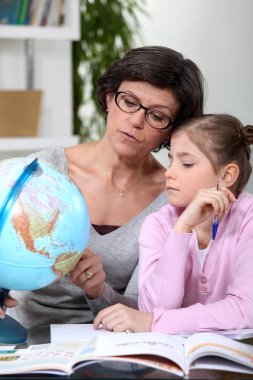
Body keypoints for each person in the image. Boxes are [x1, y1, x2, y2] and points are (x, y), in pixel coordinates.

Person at [4, 46, 204, 342]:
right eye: (129, 102)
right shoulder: (42, 170)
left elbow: (146, 312)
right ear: (110, 98)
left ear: (171, 132)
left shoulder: (172, 200)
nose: (136, 120)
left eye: (157, 116)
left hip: (110, 346)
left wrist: (100, 291)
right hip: (21, 338)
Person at [93, 114, 253, 334]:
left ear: (226, 175)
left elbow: (246, 310)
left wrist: (154, 322)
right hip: (173, 357)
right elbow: (154, 308)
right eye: (171, 161)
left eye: (186, 164)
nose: (169, 173)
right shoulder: (158, 224)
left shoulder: (249, 218)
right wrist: (182, 230)